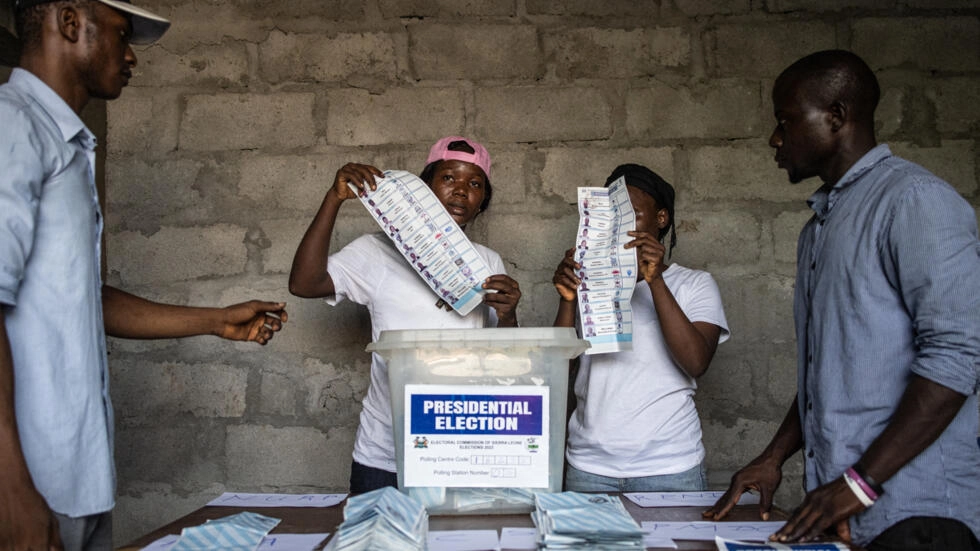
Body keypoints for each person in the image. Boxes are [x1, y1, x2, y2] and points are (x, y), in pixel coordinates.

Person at [704, 50, 980, 550]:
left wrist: (859, 483)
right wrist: (775, 456)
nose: (775, 137)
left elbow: (958, 357)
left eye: (787, 120)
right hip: (845, 511)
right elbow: (827, 375)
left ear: (837, 116)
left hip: (918, 515)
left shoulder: (915, 201)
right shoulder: (819, 229)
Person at [289, 136, 521, 494]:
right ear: (424, 190)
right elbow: (304, 283)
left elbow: (505, 363)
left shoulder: (487, 263)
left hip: (461, 452)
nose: (461, 191)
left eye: (475, 184)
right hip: (385, 455)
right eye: (448, 178)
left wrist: (508, 316)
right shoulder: (375, 252)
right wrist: (333, 199)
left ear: (482, 203)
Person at [552, 164, 730, 492]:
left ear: (660, 219)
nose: (619, 226)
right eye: (611, 216)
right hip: (589, 465)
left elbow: (695, 362)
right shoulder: (591, 284)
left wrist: (655, 280)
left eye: (631, 214)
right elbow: (560, 371)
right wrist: (567, 300)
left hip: (670, 465)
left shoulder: (694, 283)